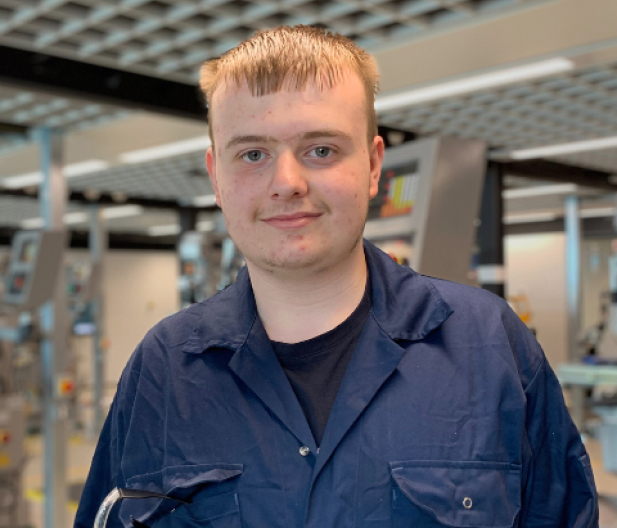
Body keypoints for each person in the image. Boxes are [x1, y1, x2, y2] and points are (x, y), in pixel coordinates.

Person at [75, 26, 598, 528]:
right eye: (253, 154)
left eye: (320, 150)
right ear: (216, 176)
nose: (287, 183)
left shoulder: (489, 346)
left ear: (373, 167)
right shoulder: (164, 368)